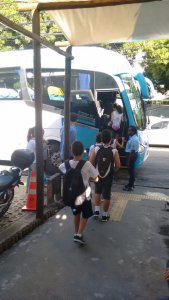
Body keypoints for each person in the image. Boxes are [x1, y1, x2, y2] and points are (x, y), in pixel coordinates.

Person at [59, 141, 99, 245]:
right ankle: (79, 234)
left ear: (72, 151)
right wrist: (89, 177)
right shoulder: (87, 164)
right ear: (83, 152)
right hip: (84, 195)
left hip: (72, 195)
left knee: (76, 214)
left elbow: (61, 169)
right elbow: (96, 177)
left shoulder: (66, 164)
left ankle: (76, 232)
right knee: (85, 215)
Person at [90, 129, 121, 222]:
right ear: (111, 140)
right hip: (109, 177)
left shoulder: (96, 149)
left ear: (102, 139)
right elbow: (118, 165)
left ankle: (96, 211)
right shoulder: (114, 151)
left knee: (97, 192)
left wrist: (95, 172)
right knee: (107, 195)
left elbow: (90, 162)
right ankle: (104, 215)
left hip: (97, 175)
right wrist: (113, 171)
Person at [123, 125, 139, 191]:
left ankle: (130, 186)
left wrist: (128, 161)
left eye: (129, 130)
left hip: (131, 155)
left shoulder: (134, 139)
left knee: (131, 171)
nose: (128, 131)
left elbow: (132, 152)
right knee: (131, 171)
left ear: (133, 131)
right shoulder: (132, 137)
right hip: (130, 154)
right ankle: (131, 184)